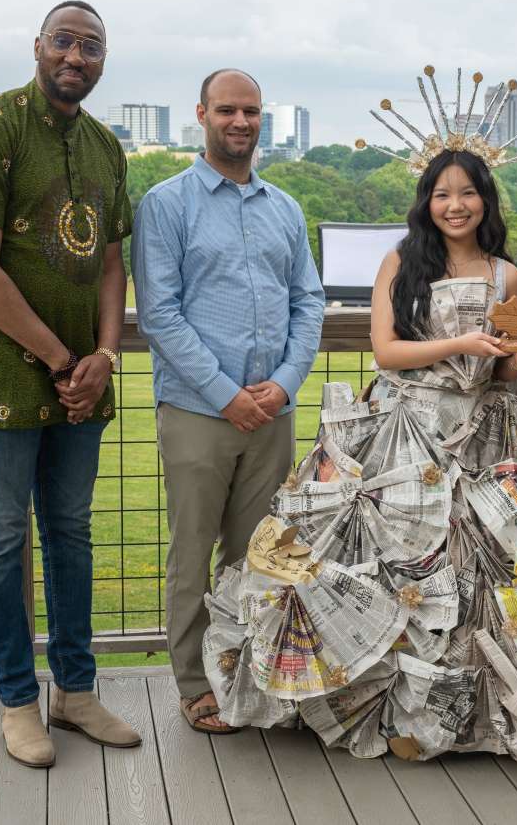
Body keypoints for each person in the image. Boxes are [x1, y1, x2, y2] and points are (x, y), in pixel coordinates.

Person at [192, 71, 517, 764]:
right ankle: (369, 704)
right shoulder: (401, 262)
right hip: (402, 434)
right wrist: (463, 343)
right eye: (443, 193)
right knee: (382, 567)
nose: (456, 204)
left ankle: (471, 717)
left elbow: (498, 362)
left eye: (468, 192)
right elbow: (388, 350)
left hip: (480, 440)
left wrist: (512, 363)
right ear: (426, 201)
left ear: (485, 199)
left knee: (474, 576)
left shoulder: (507, 276)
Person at [0, 0, 141, 767]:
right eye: (65, 41)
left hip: (83, 378)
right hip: (2, 379)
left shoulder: (103, 146)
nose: (76, 56)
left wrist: (106, 356)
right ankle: (19, 704)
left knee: (71, 535)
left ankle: (76, 694)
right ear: (37, 46)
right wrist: (64, 361)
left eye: (92, 46)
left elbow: (113, 262)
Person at [132, 68, 325, 734]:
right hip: (197, 413)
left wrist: (286, 382)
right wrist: (224, 394)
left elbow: (309, 301)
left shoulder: (285, 209)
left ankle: (246, 669)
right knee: (192, 554)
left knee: (257, 556)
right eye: (227, 111)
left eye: (250, 111)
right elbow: (159, 313)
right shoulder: (166, 203)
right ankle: (196, 683)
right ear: (201, 115)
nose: (240, 122)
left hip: (272, 413)